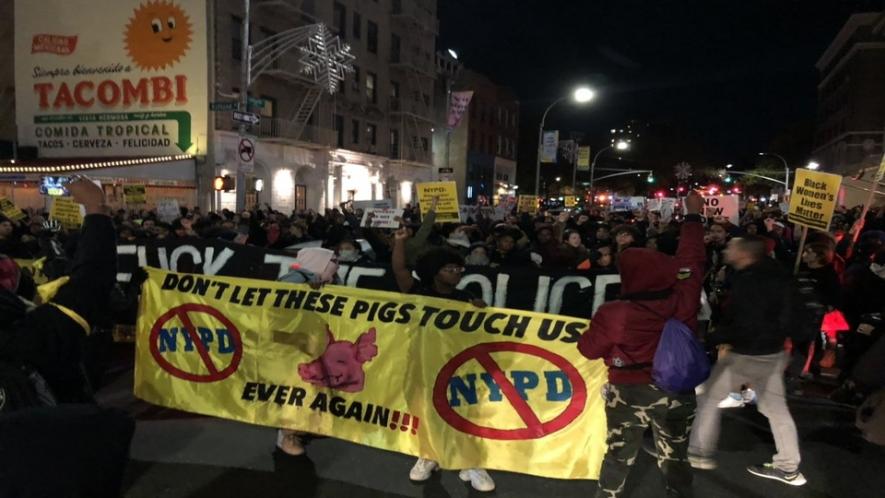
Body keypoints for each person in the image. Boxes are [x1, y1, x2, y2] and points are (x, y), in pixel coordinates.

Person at [578, 191, 706, 498]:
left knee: (619, 454)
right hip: (676, 389)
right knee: (675, 454)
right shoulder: (684, 298)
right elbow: (693, 259)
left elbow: (587, 349)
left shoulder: (615, 313)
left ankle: (609, 494)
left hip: (629, 392)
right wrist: (692, 216)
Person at [688, 235, 807, 487]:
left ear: (744, 253)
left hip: (747, 353)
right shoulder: (779, 274)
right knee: (776, 409)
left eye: (731, 247)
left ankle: (698, 452)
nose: (726, 250)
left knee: (709, 398)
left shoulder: (752, 281)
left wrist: (713, 338)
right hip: (773, 351)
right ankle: (788, 466)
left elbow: (746, 321)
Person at [392, 226, 495, 492]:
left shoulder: (466, 299)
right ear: (435, 272)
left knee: (465, 413)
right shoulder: (419, 292)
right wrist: (400, 242)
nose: (458, 272)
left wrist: (480, 311)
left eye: (460, 269)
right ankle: (429, 455)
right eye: (450, 269)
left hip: (458, 369)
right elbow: (400, 271)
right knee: (426, 413)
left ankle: (470, 462)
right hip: (424, 366)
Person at [274, 247, 341, 456]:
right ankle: (287, 435)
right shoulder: (295, 279)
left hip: (313, 344)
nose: (337, 265)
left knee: (311, 388)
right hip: (295, 345)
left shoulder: (328, 282)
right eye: (333, 261)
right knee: (295, 390)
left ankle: (303, 428)